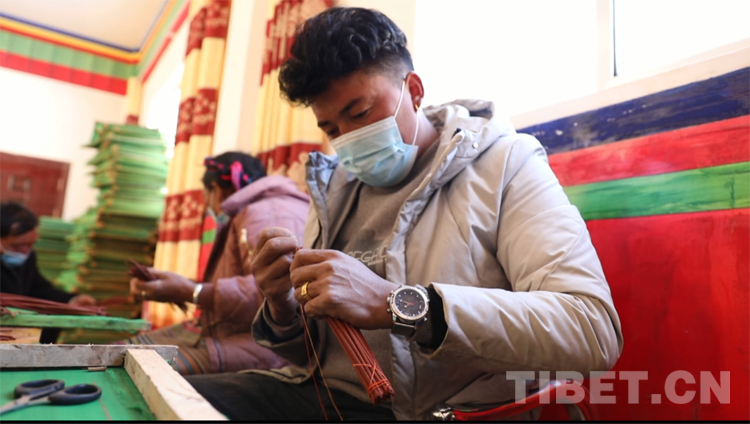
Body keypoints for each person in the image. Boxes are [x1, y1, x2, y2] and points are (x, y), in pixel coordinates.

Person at [185, 7, 624, 421]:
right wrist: (281, 304)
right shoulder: (333, 189)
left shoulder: (506, 165)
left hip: (437, 410)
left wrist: (396, 304)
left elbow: (590, 329)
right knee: (166, 398)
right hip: (317, 394)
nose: (348, 139)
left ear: (413, 91)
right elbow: (311, 356)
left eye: (360, 113)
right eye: (332, 129)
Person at [118, 152, 310, 376]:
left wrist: (194, 292)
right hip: (234, 333)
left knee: (125, 363)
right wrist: (183, 287)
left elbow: (274, 293)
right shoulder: (261, 210)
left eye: (205, 197)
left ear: (217, 190)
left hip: (265, 347)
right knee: (120, 352)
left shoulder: (267, 213)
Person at [0, 201, 97, 344]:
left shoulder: (28, 258)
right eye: (18, 245)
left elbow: (40, 289)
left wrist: (70, 300)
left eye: (30, 245)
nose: (25, 251)